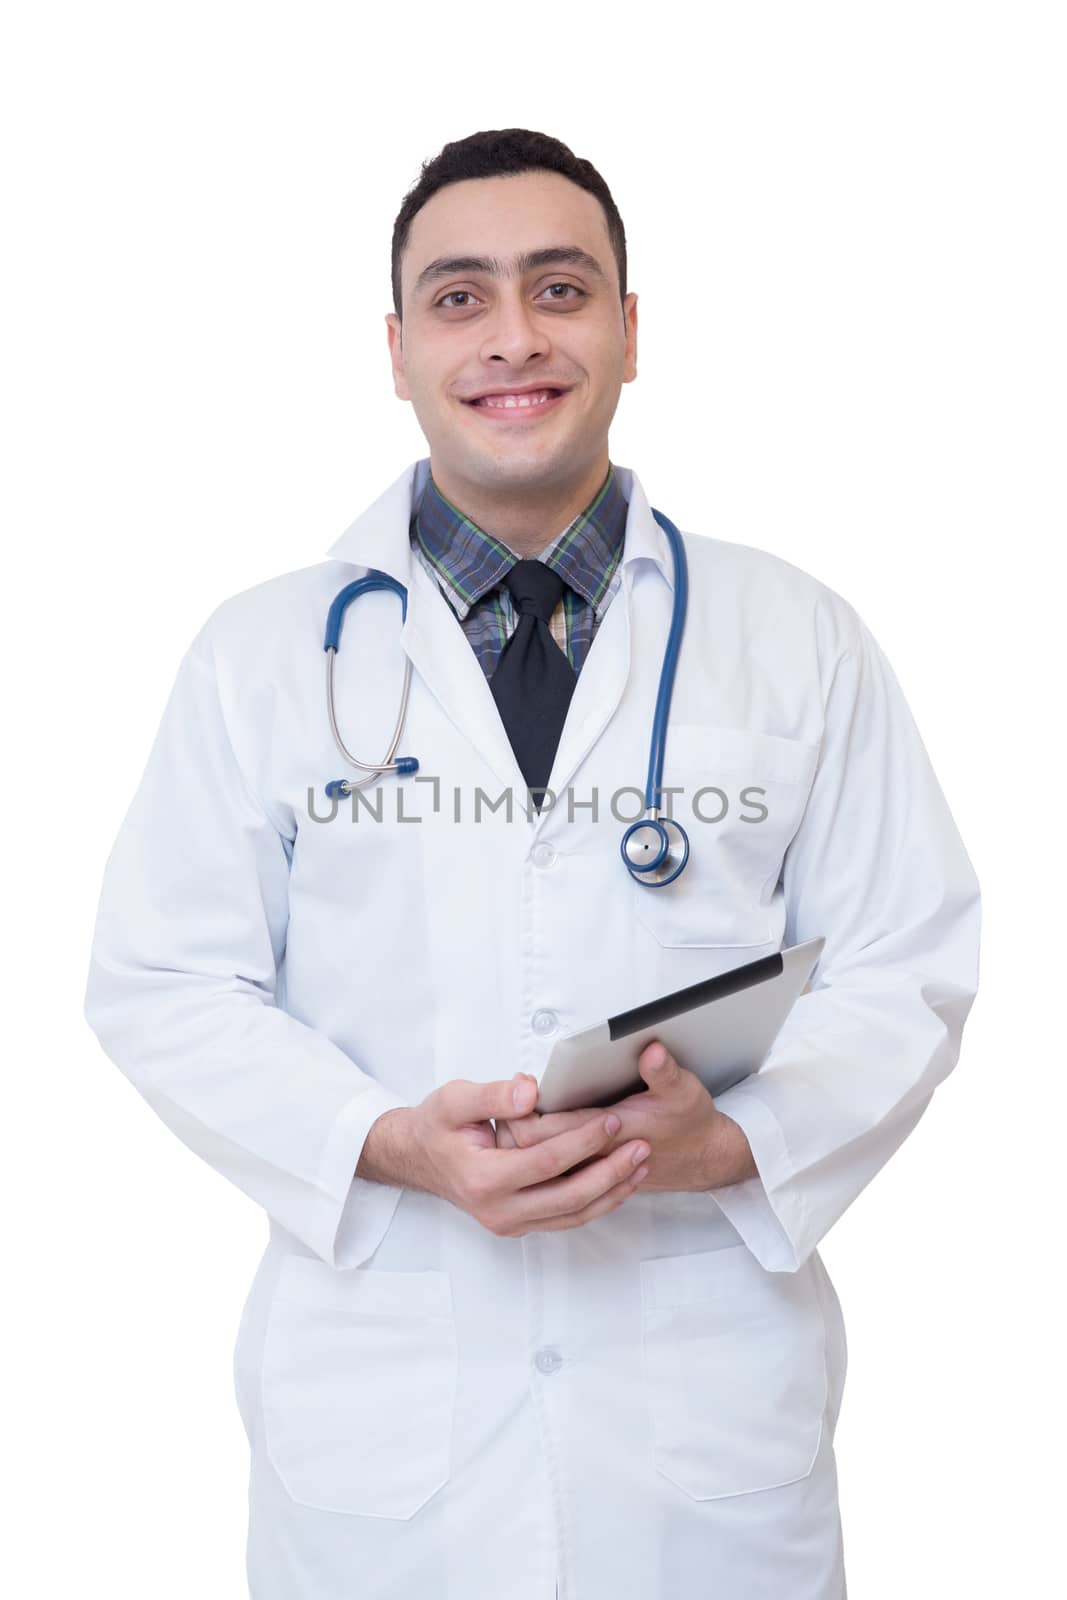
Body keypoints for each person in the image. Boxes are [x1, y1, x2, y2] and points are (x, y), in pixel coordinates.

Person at [83, 127, 981, 1600]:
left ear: (630, 332)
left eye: (561, 291)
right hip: (389, 1424)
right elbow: (164, 983)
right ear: (394, 349)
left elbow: (909, 963)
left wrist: (738, 1144)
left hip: (700, 1429)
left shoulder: (795, 634)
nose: (514, 337)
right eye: (460, 297)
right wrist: (390, 1145)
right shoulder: (257, 657)